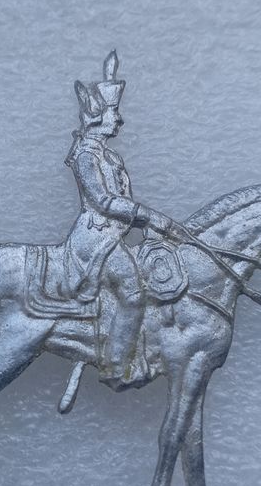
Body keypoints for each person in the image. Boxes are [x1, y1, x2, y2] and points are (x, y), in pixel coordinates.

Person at [62, 51, 176, 375]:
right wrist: (147, 215)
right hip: (95, 237)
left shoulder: (108, 156)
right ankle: (117, 365)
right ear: (96, 118)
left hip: (113, 235)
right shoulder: (87, 156)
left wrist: (145, 223)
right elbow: (102, 201)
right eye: (114, 114)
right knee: (133, 293)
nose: (119, 120)